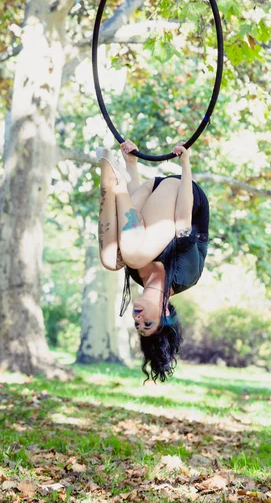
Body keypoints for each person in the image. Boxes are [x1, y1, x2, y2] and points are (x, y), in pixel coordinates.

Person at [97, 140, 209, 382]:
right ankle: (118, 187)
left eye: (138, 325)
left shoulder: (137, 273)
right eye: (148, 322)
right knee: (134, 255)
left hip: (148, 193)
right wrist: (186, 165)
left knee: (111, 258)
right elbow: (182, 222)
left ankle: (112, 177)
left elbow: (137, 222)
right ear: (165, 311)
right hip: (182, 195)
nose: (138, 319)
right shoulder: (185, 275)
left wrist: (131, 163)